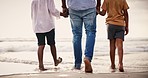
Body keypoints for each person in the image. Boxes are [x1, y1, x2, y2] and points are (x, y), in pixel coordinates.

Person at [61, 0, 101, 73]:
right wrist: (98, 5)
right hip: (90, 6)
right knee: (90, 32)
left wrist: (64, 6)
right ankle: (87, 58)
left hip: (73, 7)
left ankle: (77, 64)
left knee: (76, 35)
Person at [31, 0, 66, 71]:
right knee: (52, 44)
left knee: (41, 45)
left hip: (37, 25)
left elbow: (32, 14)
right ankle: (55, 61)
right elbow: (53, 10)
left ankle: (41, 65)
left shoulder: (34, 1)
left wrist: (35, 23)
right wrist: (62, 14)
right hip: (48, 24)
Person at [99, 0, 129, 72]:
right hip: (120, 24)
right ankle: (120, 64)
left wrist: (97, 11)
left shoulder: (106, 0)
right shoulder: (122, 0)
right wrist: (127, 26)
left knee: (112, 45)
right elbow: (126, 14)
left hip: (111, 24)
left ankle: (112, 65)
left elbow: (103, 13)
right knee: (120, 45)